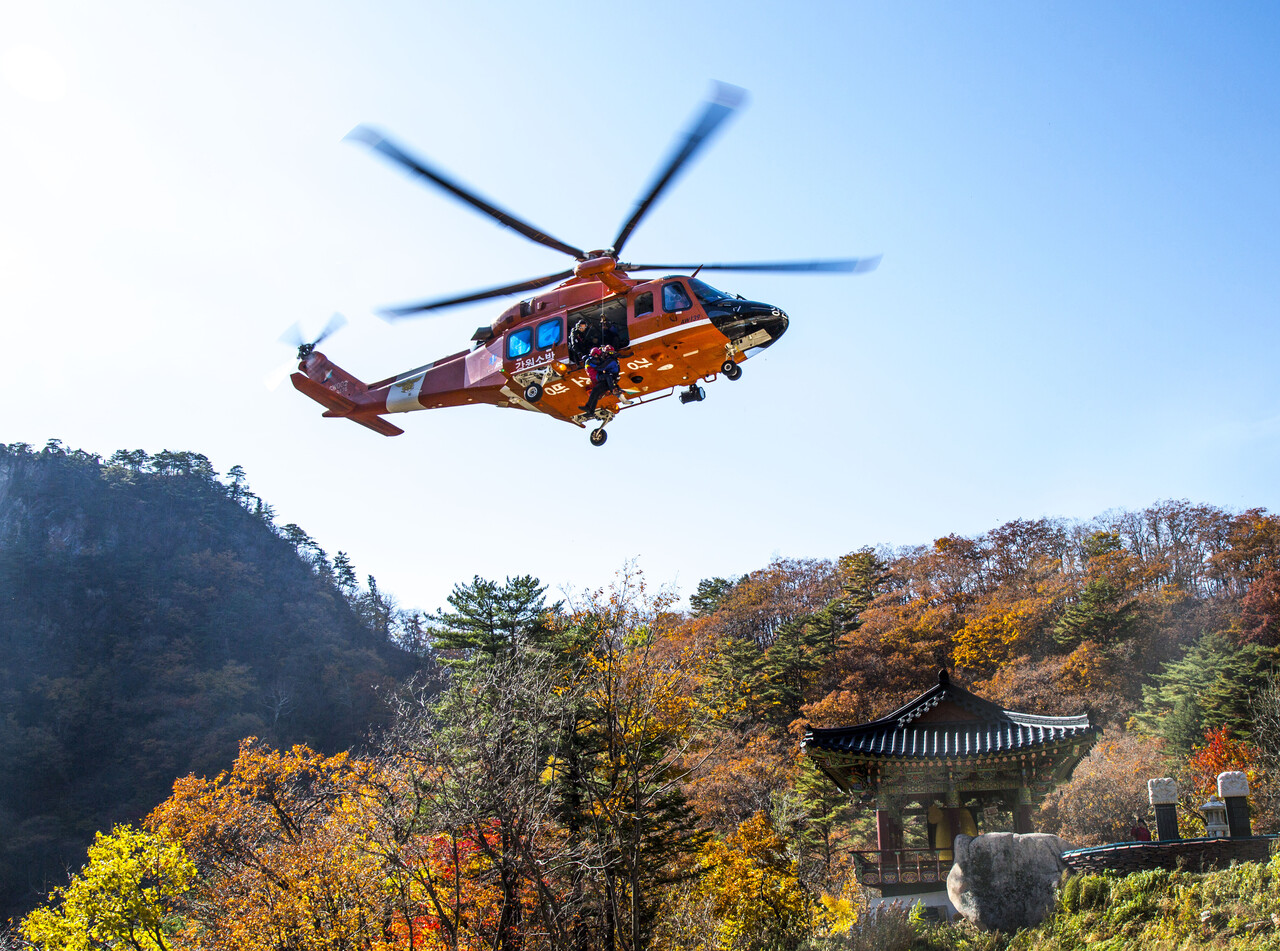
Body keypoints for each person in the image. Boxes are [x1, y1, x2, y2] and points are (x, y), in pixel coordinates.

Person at [580, 344, 620, 418]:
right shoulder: (609, 360)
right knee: (596, 392)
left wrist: (590, 363)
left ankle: (613, 389)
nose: (603, 355)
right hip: (605, 380)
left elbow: (600, 368)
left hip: (608, 380)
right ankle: (590, 410)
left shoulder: (610, 361)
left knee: (596, 390)